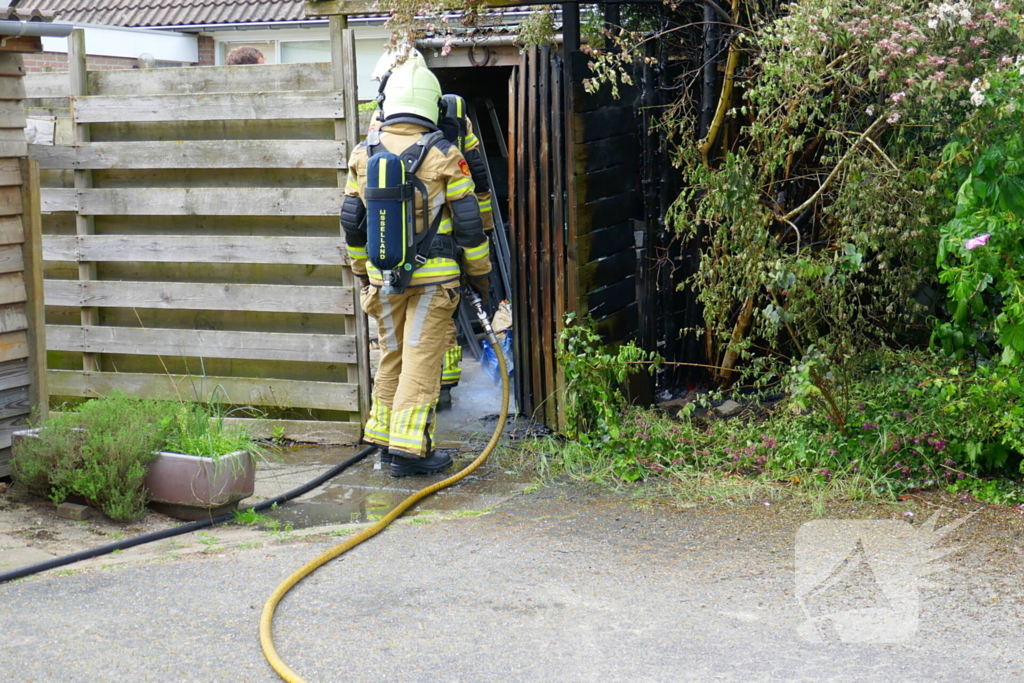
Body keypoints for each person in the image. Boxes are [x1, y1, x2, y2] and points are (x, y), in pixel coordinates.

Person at [341, 58, 491, 477]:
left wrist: (360, 271)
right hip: (433, 280)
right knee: (422, 359)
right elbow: (469, 225)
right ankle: (410, 451)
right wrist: (481, 275)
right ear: (430, 103)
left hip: (380, 277)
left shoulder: (362, 151)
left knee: (391, 355)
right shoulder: (445, 154)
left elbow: (352, 220)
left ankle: (385, 439)